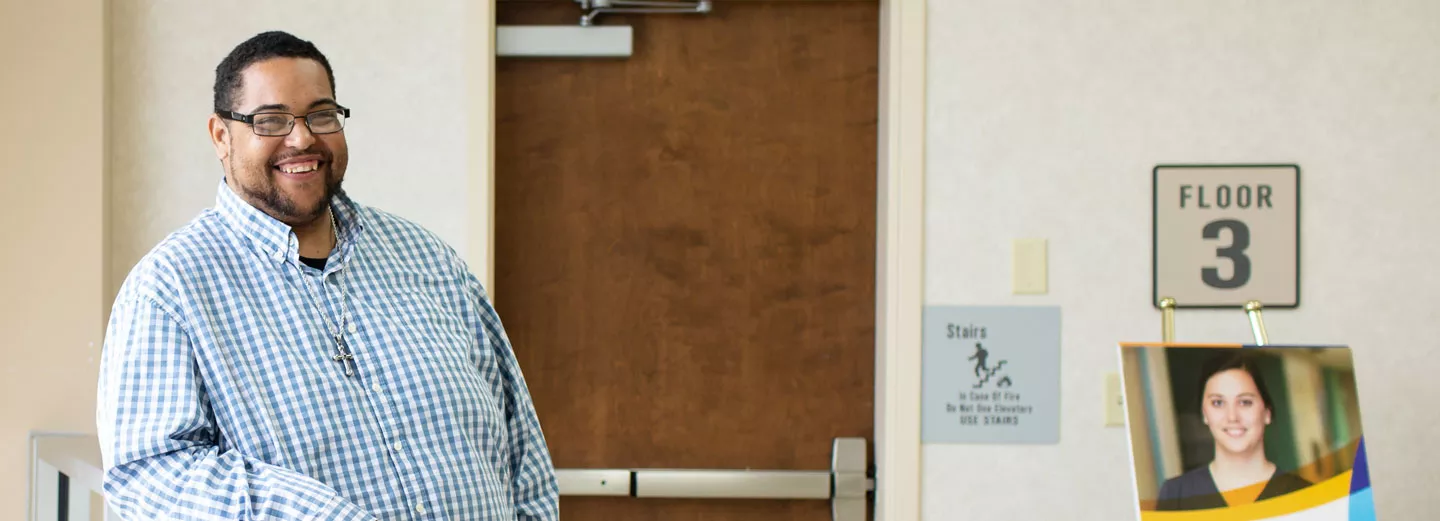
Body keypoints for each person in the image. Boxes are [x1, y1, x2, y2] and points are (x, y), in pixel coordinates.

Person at [96, 31, 559, 520]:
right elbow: (149, 478)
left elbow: (521, 452)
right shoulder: (170, 289)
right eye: (270, 120)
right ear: (221, 135)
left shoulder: (430, 261)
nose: (302, 138)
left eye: (321, 115)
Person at [1155, 352, 1310, 511]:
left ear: (1267, 413)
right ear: (1205, 414)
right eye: (1218, 403)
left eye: (1245, 402)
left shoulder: (1306, 496)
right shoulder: (1176, 495)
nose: (1232, 417)